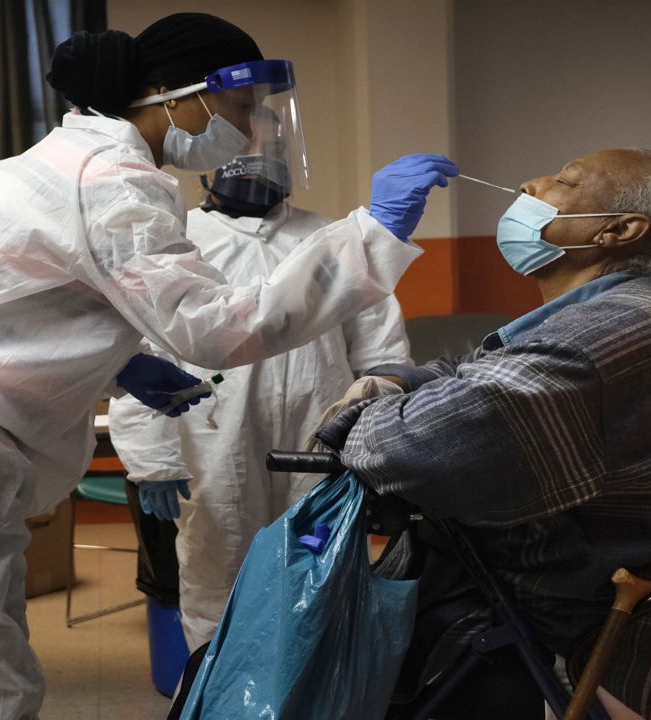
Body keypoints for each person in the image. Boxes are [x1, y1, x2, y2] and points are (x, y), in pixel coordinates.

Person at [0, 13, 456, 719]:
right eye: (238, 109)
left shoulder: (47, 161)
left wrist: (124, 364)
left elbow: (13, 305)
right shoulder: (119, 180)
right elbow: (221, 328)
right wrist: (374, 234)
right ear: (174, 93)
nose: (244, 133)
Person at [316, 149, 651, 720]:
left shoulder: (599, 335)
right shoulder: (641, 310)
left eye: (564, 181)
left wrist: (358, 413)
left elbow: (409, 449)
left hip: (606, 646)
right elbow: (481, 372)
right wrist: (399, 379)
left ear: (619, 229)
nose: (529, 181)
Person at [108, 116, 411, 650]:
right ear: (207, 159)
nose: (256, 156)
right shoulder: (176, 241)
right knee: (216, 572)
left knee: (317, 568)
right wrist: (152, 460)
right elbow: (138, 351)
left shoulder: (332, 241)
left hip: (320, 438)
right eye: (242, 143)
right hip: (210, 440)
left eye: (271, 144)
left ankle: (307, 689)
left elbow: (381, 353)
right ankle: (219, 691)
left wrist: (372, 440)